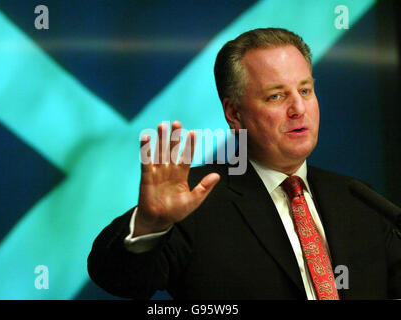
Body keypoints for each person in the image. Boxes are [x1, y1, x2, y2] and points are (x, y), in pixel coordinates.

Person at [87, 28, 401, 300]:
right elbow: (119, 279)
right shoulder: (195, 199)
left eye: (305, 90)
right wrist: (149, 227)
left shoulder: (360, 200)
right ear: (234, 114)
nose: (298, 108)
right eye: (276, 96)